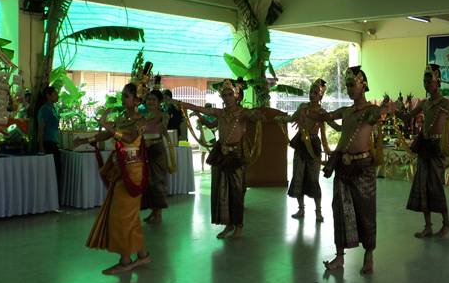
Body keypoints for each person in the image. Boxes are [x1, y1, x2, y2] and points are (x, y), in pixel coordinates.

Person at [311, 66, 395, 275]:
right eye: (347, 85)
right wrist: (312, 112)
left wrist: (386, 108)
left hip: (363, 167)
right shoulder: (346, 111)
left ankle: (369, 255)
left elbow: (380, 113)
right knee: (340, 209)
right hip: (343, 166)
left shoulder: (370, 111)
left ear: (363, 86)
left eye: (352, 85)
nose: (349, 89)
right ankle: (340, 257)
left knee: (366, 211)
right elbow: (327, 116)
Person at [79, 83, 151, 275]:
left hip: (133, 171)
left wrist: (107, 125)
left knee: (121, 216)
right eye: (123, 95)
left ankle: (126, 260)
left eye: (126, 96)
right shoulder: (122, 118)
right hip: (120, 167)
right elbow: (106, 135)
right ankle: (142, 255)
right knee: (129, 215)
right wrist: (86, 140)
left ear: (136, 100)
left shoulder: (141, 121)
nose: (123, 99)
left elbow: (128, 139)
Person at [180, 78, 264, 239]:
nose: (227, 98)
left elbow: (256, 116)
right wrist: (184, 105)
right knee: (222, 190)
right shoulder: (220, 112)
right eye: (224, 95)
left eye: (230, 94)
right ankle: (228, 224)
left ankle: (238, 226)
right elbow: (201, 110)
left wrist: (257, 115)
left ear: (236, 96)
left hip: (236, 155)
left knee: (237, 193)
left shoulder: (243, 113)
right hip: (220, 153)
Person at [275, 79, 339, 223]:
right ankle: (301, 209)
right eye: (311, 92)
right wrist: (281, 118)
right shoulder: (303, 108)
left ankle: (318, 212)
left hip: (314, 146)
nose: (312, 95)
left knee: (313, 179)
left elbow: (335, 126)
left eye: (315, 93)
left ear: (321, 96)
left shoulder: (322, 112)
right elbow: (292, 118)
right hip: (300, 144)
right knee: (298, 177)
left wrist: (348, 123)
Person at [406, 64, 449, 239]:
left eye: (430, 81)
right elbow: (408, 116)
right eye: (424, 81)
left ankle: (446, 223)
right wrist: (393, 111)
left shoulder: (445, 103)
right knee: (422, 186)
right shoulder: (424, 103)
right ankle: (428, 226)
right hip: (424, 146)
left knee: (436, 186)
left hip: (437, 148)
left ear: (438, 82)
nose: (426, 84)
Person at [141, 90, 175, 225]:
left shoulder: (163, 116)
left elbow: (161, 129)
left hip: (157, 150)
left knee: (157, 181)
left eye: (154, 100)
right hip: (145, 150)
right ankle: (153, 211)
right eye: (148, 99)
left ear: (159, 102)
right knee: (148, 181)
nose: (150, 102)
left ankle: (158, 213)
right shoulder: (142, 115)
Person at [37, 86, 61, 188]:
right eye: (55, 94)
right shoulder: (44, 109)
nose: (57, 96)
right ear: (48, 96)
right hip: (47, 142)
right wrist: (41, 146)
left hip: (54, 141)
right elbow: (41, 128)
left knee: (57, 170)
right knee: (52, 171)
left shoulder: (53, 108)